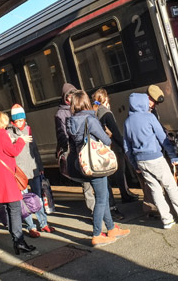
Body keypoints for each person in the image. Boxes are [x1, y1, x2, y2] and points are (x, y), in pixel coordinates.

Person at [66, 90, 130, 246]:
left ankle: (111, 228)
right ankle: (96, 234)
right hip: (96, 162)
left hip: (84, 163)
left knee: (103, 195)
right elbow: (106, 142)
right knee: (102, 198)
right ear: (87, 102)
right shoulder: (90, 120)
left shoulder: (71, 122)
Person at [0, 111, 36, 255]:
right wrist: (21, 140)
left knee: (7, 209)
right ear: (0, 121)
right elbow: (13, 151)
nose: (6, 124)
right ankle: (19, 242)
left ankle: (16, 241)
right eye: (5, 121)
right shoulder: (1, 134)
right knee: (15, 210)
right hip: (7, 179)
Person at [124, 93, 178, 229]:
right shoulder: (149, 117)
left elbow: (127, 146)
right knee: (170, 186)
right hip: (155, 158)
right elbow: (162, 138)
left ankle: (166, 220)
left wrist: (134, 164)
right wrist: (173, 156)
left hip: (141, 161)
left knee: (155, 190)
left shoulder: (127, 121)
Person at [7, 104, 55, 238]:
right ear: (13, 120)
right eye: (17, 120)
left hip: (33, 168)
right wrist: (18, 139)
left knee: (37, 197)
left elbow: (35, 149)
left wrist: (40, 167)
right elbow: (7, 147)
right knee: (23, 200)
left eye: (22, 119)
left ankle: (43, 223)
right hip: (19, 171)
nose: (20, 122)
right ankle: (31, 227)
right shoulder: (8, 132)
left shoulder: (28, 129)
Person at [92, 89, 139, 205]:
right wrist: (124, 145)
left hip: (104, 146)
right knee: (120, 171)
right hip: (114, 145)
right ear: (105, 99)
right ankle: (125, 194)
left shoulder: (96, 112)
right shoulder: (106, 113)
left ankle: (124, 193)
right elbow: (116, 132)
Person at [55, 82, 95, 215]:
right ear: (64, 97)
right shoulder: (61, 114)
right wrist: (69, 147)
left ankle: (102, 209)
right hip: (76, 149)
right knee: (86, 182)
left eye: (72, 95)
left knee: (94, 178)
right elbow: (62, 134)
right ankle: (93, 210)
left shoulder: (76, 108)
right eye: (68, 96)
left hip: (87, 147)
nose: (71, 98)